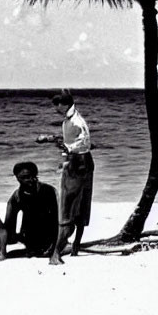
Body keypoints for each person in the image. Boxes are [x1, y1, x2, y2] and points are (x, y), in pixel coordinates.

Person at [49, 89, 94, 265]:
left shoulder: (76, 121)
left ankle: (59, 252)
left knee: (72, 208)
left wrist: (67, 150)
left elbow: (85, 142)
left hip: (80, 164)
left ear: (64, 104)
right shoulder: (68, 120)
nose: (55, 109)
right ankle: (73, 246)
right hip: (77, 162)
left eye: (57, 105)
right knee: (76, 206)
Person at [0, 161, 58, 262]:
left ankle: (5, 252)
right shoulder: (17, 195)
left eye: (28, 177)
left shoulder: (48, 191)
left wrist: (55, 250)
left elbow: (57, 219)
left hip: (46, 238)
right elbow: (9, 224)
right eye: (21, 178)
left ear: (34, 176)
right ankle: (2, 251)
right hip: (28, 238)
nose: (26, 180)